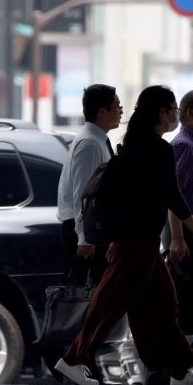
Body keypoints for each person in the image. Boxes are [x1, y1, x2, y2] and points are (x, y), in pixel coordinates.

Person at [55, 85, 193, 385]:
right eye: (173, 111)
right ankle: (73, 359)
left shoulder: (134, 144)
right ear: (162, 113)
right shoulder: (157, 149)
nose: (175, 117)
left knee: (160, 305)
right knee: (109, 303)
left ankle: (178, 371)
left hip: (140, 241)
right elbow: (172, 195)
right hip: (136, 244)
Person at [57, 84, 122, 285]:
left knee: (96, 292)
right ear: (102, 112)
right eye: (117, 106)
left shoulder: (95, 139)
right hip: (88, 230)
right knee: (89, 294)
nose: (121, 111)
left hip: (93, 228)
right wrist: (84, 238)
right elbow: (83, 193)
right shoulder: (90, 144)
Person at [166, 87, 193, 376]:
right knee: (190, 303)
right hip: (190, 231)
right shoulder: (184, 145)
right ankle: (177, 369)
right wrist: (179, 238)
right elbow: (173, 196)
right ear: (190, 114)